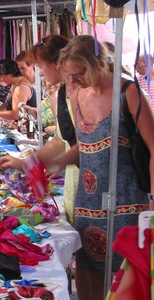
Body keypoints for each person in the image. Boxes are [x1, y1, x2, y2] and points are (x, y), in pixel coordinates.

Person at [53, 35, 153, 300]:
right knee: (88, 279)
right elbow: (85, 145)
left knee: (128, 283)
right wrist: (55, 161)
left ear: (99, 63)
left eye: (78, 73)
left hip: (128, 205)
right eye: (69, 74)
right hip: (88, 206)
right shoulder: (77, 94)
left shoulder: (128, 92)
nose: (73, 82)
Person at [0, 35, 79, 226]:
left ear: (57, 63)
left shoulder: (86, 93)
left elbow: (84, 142)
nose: (40, 73)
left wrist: (49, 163)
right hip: (75, 180)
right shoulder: (59, 97)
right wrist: (27, 162)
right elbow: (61, 140)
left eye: (41, 66)